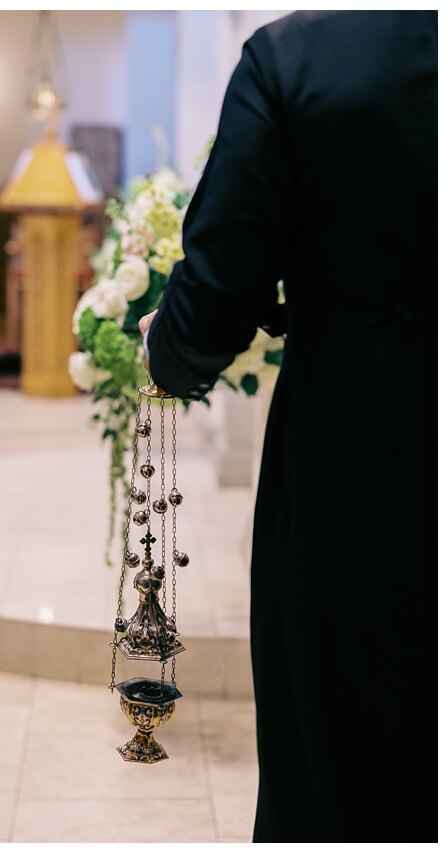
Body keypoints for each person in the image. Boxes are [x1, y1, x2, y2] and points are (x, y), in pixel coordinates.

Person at [135, 11, 434, 841]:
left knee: (343, 734)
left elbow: (219, 285)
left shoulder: (296, 57)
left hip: (358, 440)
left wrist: (168, 347)